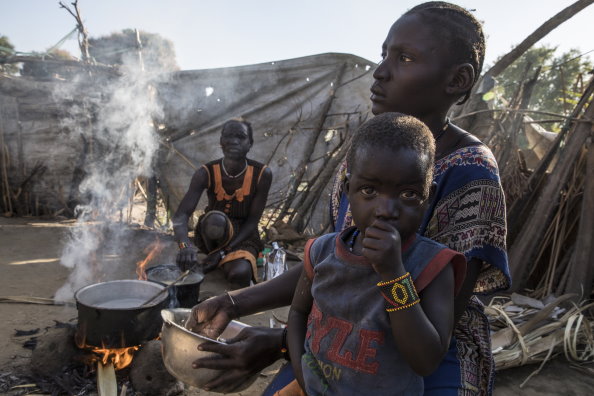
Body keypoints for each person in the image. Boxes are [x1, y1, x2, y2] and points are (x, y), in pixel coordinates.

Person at [186, 2, 510, 394]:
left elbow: (434, 329)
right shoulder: (365, 158)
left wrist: (279, 344)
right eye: (384, 55)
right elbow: (333, 261)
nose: (380, 72)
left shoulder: (470, 173)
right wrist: (235, 303)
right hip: (340, 333)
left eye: (404, 58)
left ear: (457, 79)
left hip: (424, 350)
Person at [287, 113, 466, 395]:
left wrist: (394, 273)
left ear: (427, 197)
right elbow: (298, 313)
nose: (386, 210)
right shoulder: (321, 251)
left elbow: (427, 360)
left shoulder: (433, 266)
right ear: (348, 190)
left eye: (408, 194)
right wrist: (302, 375)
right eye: (369, 190)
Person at [173, 118, 272, 289]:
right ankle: (214, 255)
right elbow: (181, 215)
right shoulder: (206, 172)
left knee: (239, 274)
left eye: (240, 137)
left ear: (250, 143)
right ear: (221, 142)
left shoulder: (262, 174)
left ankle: (221, 258)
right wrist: (184, 245)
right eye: (228, 136)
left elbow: (252, 221)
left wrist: (223, 252)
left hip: (244, 236)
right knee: (216, 220)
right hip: (211, 234)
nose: (233, 141)